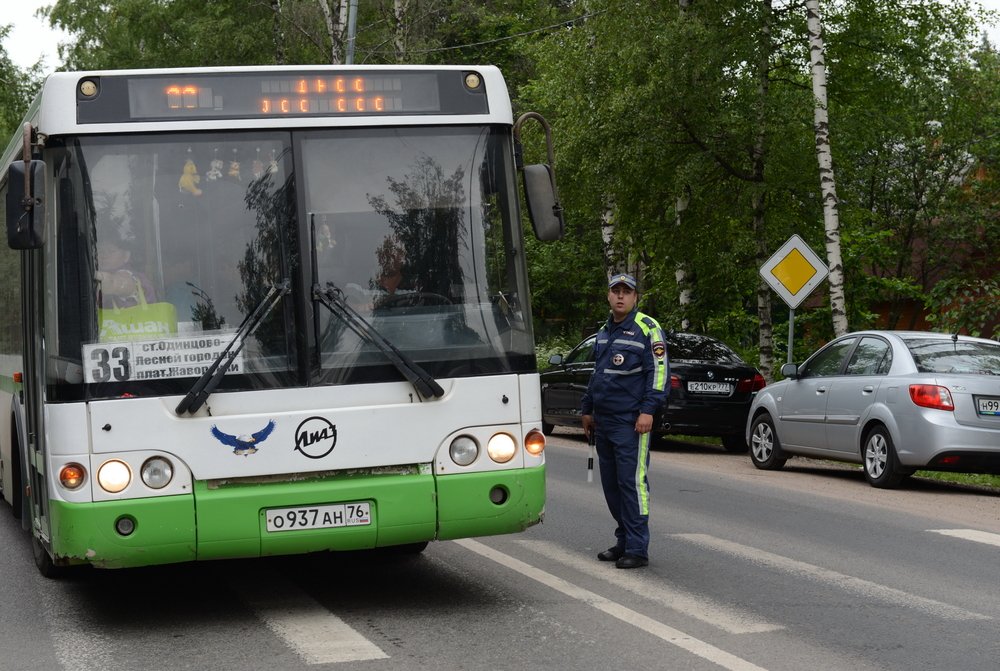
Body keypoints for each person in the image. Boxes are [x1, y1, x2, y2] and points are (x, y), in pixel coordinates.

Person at [581, 272, 669, 569]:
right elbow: (598, 374)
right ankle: (623, 540)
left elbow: (658, 373)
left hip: (631, 422)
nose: (620, 296)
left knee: (633, 484)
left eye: (626, 292)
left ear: (635, 297)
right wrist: (587, 409)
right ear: (608, 296)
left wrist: (648, 411)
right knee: (612, 485)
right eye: (615, 291)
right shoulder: (604, 331)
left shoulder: (647, 328)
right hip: (604, 421)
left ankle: (638, 548)